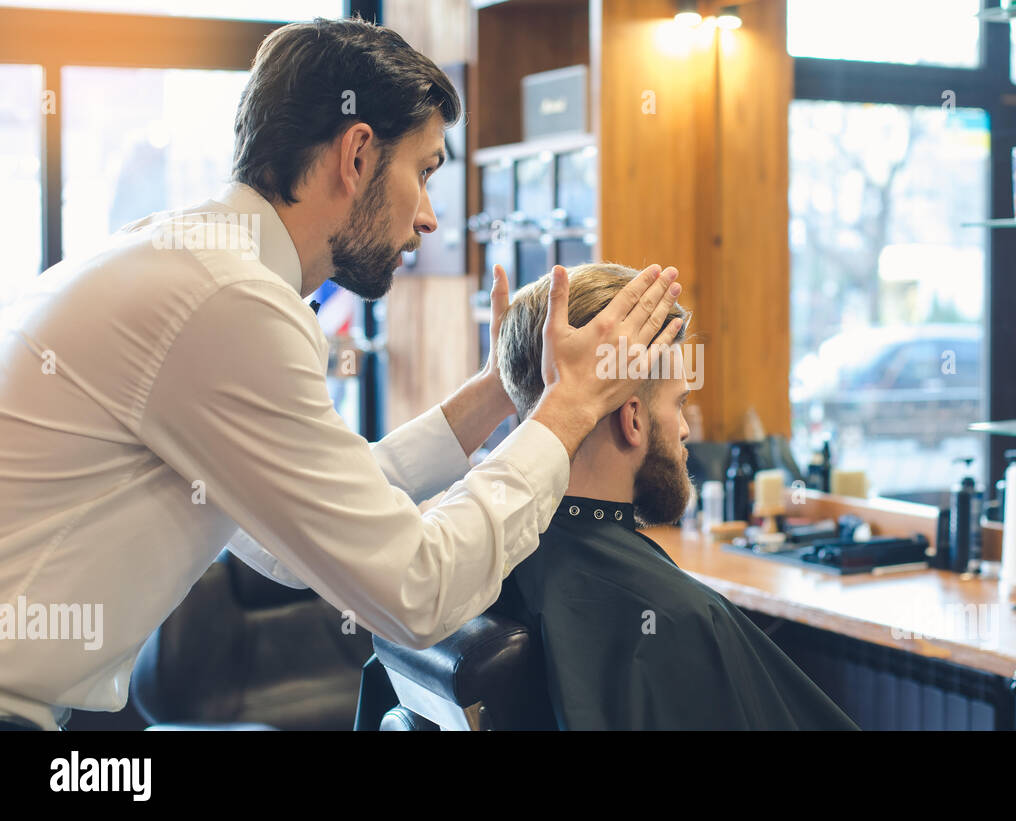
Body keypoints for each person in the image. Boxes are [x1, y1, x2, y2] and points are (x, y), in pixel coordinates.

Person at [0, 18, 683, 731]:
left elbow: (287, 539)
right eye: (422, 173)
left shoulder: (183, 260)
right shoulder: (228, 303)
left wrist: (497, 396)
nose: (427, 219)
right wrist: (565, 410)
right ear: (357, 154)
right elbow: (417, 589)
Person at [492, 264, 859, 730]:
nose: (685, 431)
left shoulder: (487, 558)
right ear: (634, 419)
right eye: (679, 404)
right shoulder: (682, 617)